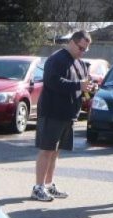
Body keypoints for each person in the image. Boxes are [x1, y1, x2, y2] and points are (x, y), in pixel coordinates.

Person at [31, 31, 95, 202]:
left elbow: (82, 85)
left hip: (68, 114)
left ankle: (49, 184)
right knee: (47, 150)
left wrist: (88, 87)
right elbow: (52, 81)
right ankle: (38, 187)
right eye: (81, 47)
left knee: (56, 152)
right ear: (72, 42)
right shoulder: (57, 59)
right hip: (52, 112)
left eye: (85, 49)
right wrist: (78, 85)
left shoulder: (79, 63)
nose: (82, 51)